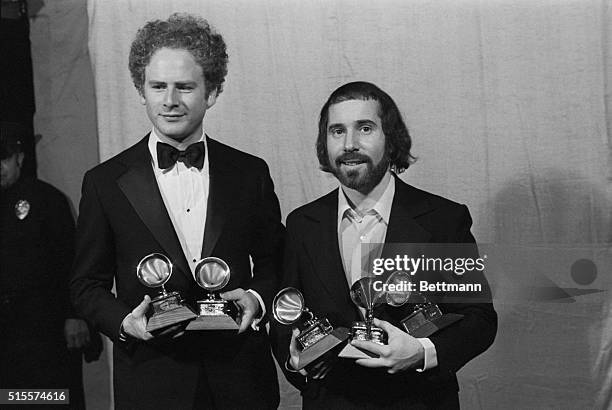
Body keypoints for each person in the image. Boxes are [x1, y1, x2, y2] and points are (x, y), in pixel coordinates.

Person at [70, 13, 283, 409]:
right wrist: (123, 322)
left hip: (240, 379)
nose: (169, 101)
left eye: (185, 87)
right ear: (140, 89)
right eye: (158, 86)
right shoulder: (103, 183)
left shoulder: (250, 173)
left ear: (213, 92)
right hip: (153, 381)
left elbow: (276, 260)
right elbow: (86, 285)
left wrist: (256, 297)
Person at [271, 82, 497, 409]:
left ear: (390, 139)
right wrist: (296, 363)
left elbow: (479, 320)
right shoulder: (301, 224)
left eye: (365, 128)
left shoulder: (443, 220)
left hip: (418, 399)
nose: (350, 144)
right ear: (324, 142)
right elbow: (285, 315)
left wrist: (422, 353)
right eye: (337, 131)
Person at [1, 121, 102, 409]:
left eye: (4, 157)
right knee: (12, 401)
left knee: (53, 399)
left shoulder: (47, 200)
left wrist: (75, 315)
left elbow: (72, 260)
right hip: (7, 335)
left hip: (45, 331)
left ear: (19, 157)